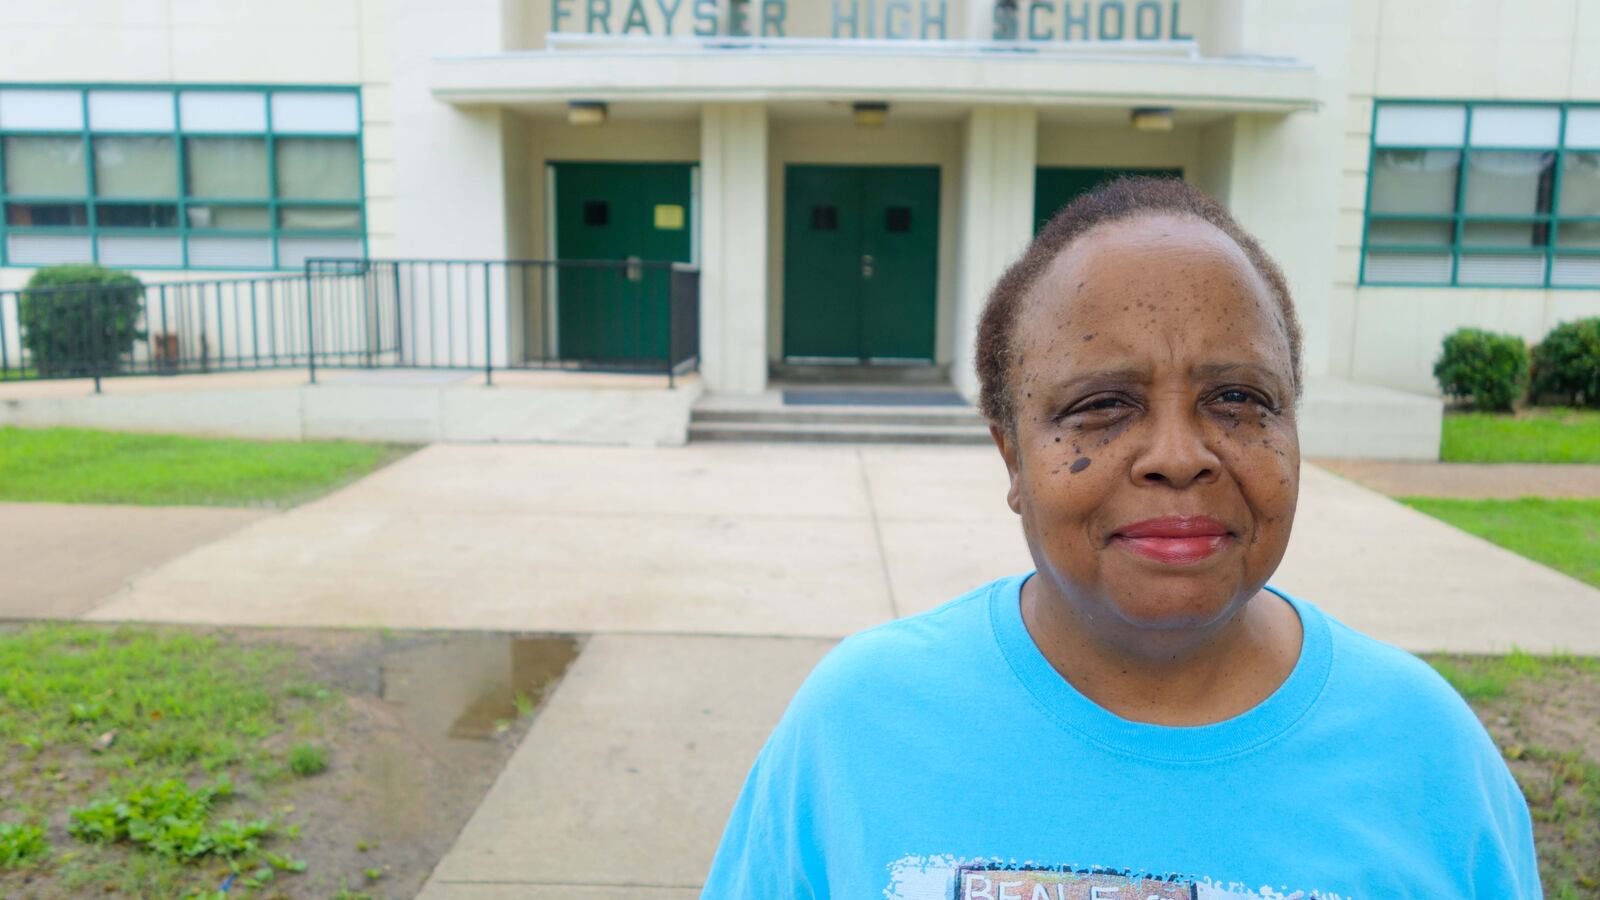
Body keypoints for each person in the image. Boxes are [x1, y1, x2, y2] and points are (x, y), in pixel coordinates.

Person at [701, 177, 1540, 898]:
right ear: (1012, 456)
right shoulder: (857, 727)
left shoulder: (1426, 752)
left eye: (1239, 399)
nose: (1178, 456)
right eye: (1102, 404)